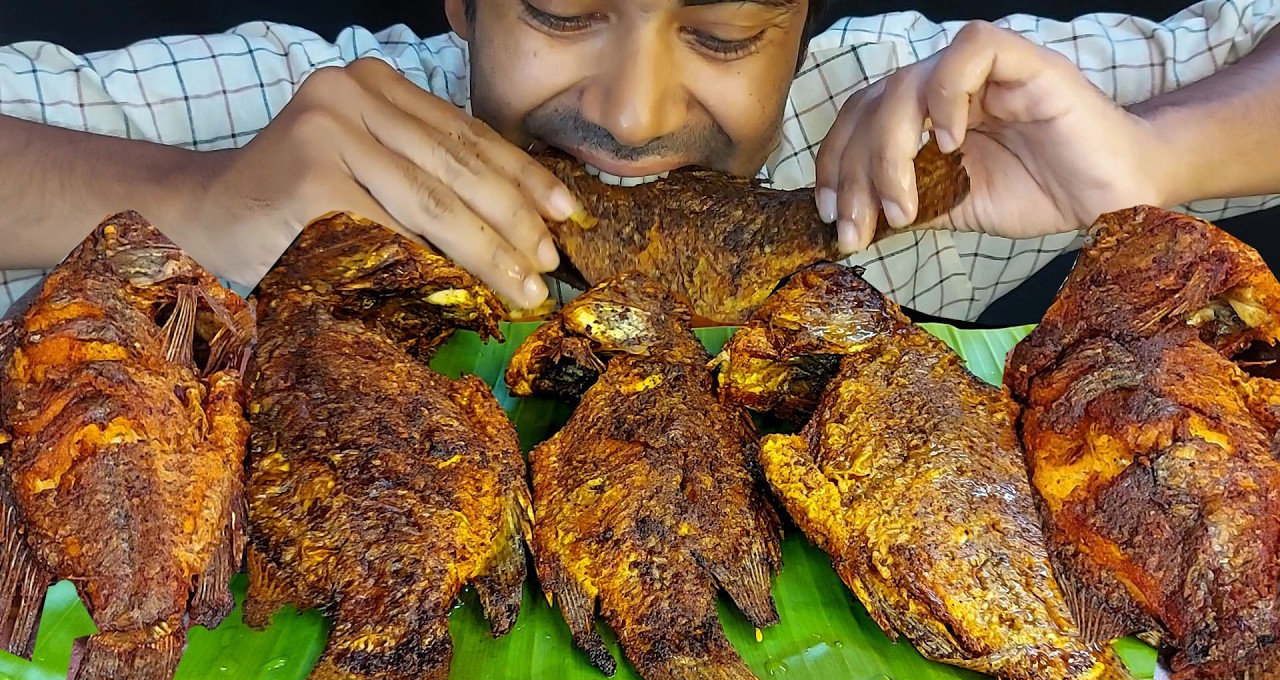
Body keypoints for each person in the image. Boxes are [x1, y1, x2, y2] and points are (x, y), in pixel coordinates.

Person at [1, 0, 1279, 322]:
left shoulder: (901, 126)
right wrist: (187, 201)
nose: (633, 109)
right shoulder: (318, 117)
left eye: (723, 31)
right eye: (560, 14)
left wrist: (1157, 152)